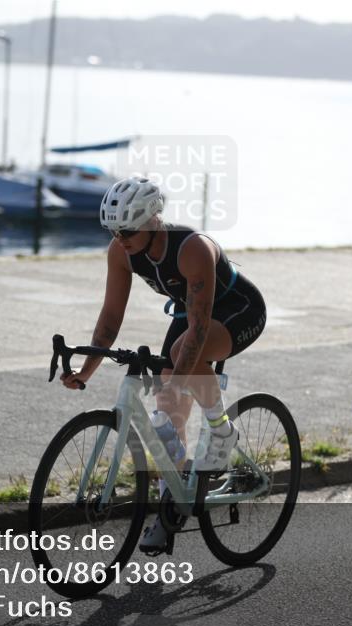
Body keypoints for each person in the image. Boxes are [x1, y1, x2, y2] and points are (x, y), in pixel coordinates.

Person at [60, 176, 267, 555]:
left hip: (238, 310)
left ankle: (222, 431)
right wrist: (87, 370)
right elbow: (110, 317)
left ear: (153, 221)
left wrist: (174, 383)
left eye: (127, 230)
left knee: (180, 366)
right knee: (167, 419)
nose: (120, 238)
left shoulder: (192, 249)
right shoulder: (121, 251)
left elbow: (201, 328)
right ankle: (169, 512)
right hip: (190, 314)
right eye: (113, 230)